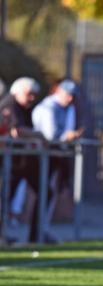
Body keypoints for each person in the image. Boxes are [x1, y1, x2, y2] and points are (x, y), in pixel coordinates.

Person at [0, 77, 56, 244]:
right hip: (11, 162)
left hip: (24, 160)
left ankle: (36, 235)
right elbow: (17, 130)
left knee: (45, 191)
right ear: (17, 91)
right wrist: (38, 135)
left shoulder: (25, 108)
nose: (32, 98)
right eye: (29, 94)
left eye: (34, 95)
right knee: (4, 197)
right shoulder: (9, 104)